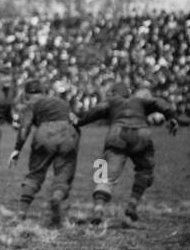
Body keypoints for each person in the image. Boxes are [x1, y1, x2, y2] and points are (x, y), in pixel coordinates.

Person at [74, 80, 178, 223]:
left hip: (117, 135)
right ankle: (132, 204)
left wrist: (79, 122)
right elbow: (158, 102)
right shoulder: (139, 100)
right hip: (141, 134)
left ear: (115, 93)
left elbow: (96, 111)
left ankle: (98, 208)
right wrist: (171, 116)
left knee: (104, 171)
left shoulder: (112, 102)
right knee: (145, 170)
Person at [7, 78, 79, 226]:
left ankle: (21, 215)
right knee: (63, 174)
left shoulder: (30, 104)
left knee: (35, 174)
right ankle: (57, 198)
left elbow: (24, 128)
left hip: (46, 133)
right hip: (68, 133)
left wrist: (17, 149)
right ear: (44, 91)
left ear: (27, 94)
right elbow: (75, 120)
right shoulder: (60, 102)